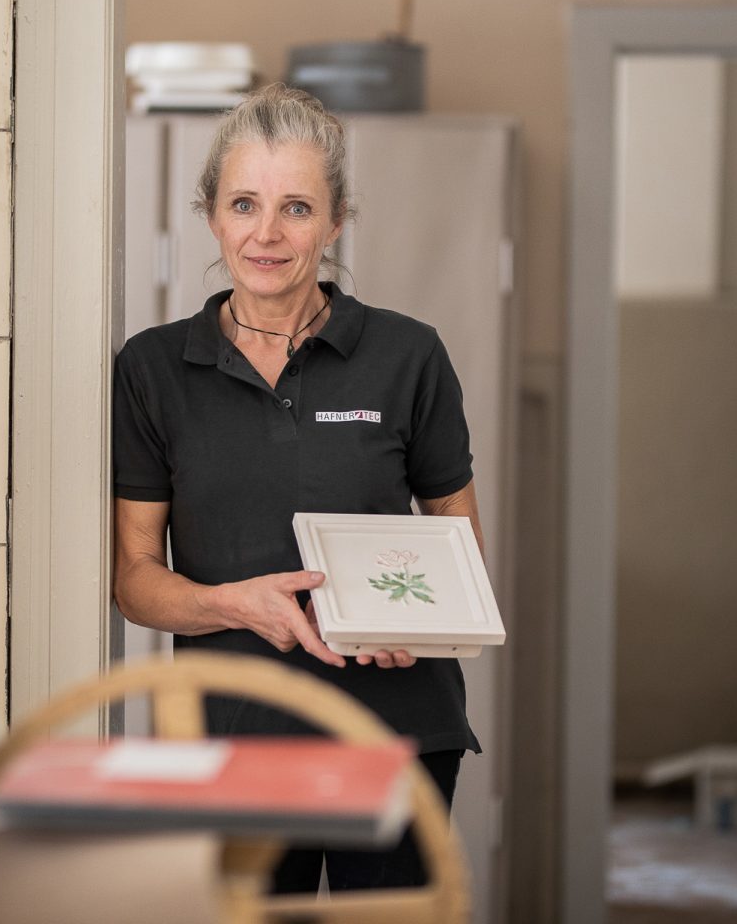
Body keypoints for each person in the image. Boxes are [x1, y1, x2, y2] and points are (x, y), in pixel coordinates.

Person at [112, 83, 484, 894]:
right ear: (211, 214)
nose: (267, 234)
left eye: (297, 209)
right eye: (244, 204)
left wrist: (414, 621)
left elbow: (459, 544)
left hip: (393, 734)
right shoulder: (152, 370)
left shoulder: (408, 356)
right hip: (229, 739)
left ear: (337, 220)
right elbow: (134, 580)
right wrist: (236, 605)